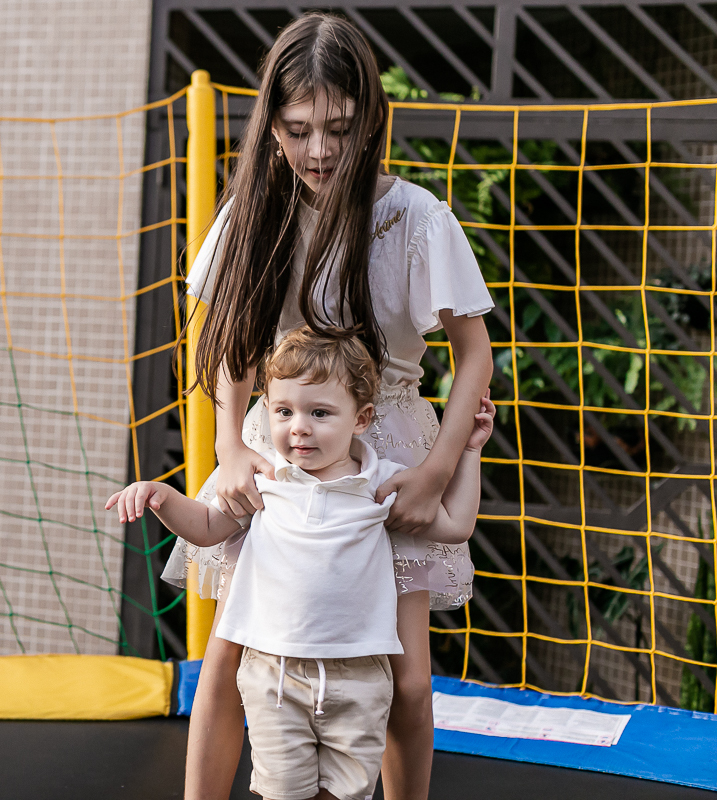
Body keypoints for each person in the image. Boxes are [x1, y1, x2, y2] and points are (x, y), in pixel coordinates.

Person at [159, 12, 496, 800]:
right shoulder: (255, 213)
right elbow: (230, 341)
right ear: (272, 124)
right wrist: (229, 452)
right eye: (299, 128)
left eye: (339, 128)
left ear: (369, 119)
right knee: (229, 660)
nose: (319, 151)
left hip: (389, 454)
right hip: (282, 445)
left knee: (409, 683)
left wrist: (440, 469)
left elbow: (474, 351)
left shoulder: (414, 217)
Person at [109, 329, 494, 800]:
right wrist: (159, 496)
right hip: (275, 674)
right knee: (284, 793)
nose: (299, 428)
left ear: (362, 418)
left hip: (362, 676)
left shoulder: (381, 484)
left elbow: (455, 526)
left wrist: (470, 451)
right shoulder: (266, 480)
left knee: (344, 795)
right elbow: (207, 527)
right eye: (284, 412)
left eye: (320, 413)